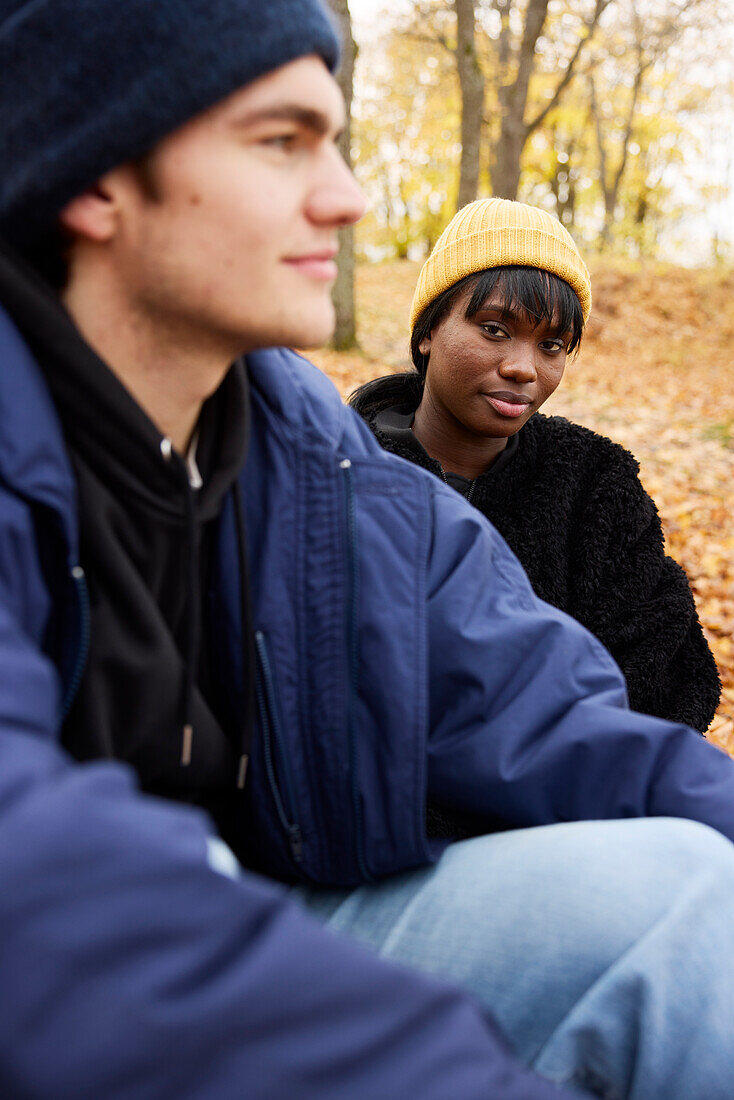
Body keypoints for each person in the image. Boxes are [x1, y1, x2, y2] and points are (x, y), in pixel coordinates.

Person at [4, 3, 734, 1099]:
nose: (343, 194)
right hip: (81, 957)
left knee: (692, 890)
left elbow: (528, 702)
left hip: (283, 900)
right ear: (99, 173)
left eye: (335, 141)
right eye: (280, 140)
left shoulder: (304, 440)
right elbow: (34, 880)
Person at [349, 198, 720, 733]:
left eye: (551, 344)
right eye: (495, 329)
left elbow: (665, 672)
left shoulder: (596, 486)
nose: (524, 368)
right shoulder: (340, 475)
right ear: (428, 332)